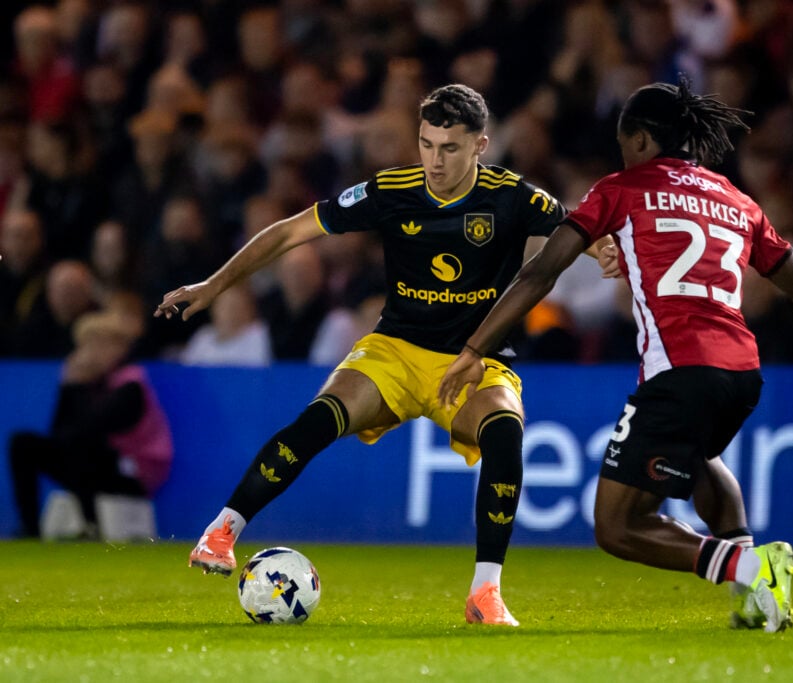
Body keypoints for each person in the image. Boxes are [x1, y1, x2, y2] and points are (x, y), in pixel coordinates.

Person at [155, 84, 595, 626]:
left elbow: (582, 229)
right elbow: (292, 231)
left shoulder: (513, 196)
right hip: (393, 351)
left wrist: (611, 248)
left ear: (481, 145)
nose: (434, 160)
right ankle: (221, 533)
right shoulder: (392, 189)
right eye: (426, 143)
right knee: (318, 419)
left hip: (473, 358)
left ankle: (485, 593)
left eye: (450, 148)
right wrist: (214, 285)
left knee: (505, 432)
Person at [439, 79, 793, 633]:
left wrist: (476, 346)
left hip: (681, 371)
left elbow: (542, 271)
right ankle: (757, 591)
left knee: (617, 526)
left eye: (624, 143)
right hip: (742, 371)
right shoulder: (734, 197)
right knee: (698, 459)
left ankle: (746, 566)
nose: (621, 154)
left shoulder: (621, 188)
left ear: (641, 139)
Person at [7, 309, 173, 538]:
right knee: (23, 444)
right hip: (96, 467)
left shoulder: (130, 384)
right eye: (85, 346)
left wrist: (74, 386)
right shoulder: (93, 382)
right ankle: (30, 529)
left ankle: (91, 524)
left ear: (119, 347)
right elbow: (59, 434)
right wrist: (69, 385)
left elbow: (87, 430)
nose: (88, 354)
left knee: (84, 449)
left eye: (97, 345)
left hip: (132, 475)